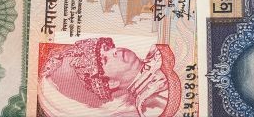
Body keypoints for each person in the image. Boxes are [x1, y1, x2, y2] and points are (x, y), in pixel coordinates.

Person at [37, 37, 181, 117]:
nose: (114, 51)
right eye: (105, 60)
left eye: (107, 48)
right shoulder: (150, 103)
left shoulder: (155, 53)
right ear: (111, 83)